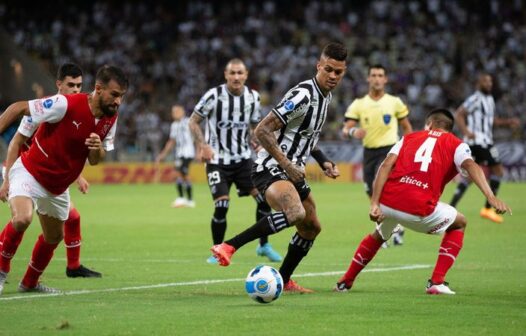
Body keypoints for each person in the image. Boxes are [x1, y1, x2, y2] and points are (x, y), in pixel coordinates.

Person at [211, 42, 347, 293]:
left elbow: (308, 137)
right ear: (319, 66)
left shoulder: (325, 98)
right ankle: (229, 246)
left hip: (292, 171)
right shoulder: (303, 95)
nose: (333, 76)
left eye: (338, 72)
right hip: (270, 167)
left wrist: (324, 161)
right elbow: (262, 129)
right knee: (296, 213)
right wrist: (287, 164)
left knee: (312, 227)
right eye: (328, 69)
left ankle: (284, 280)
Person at [334, 108, 511, 295]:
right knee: (459, 223)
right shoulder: (457, 144)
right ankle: (437, 281)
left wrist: (375, 203)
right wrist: (490, 197)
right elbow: (471, 165)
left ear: (429, 124)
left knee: (379, 235)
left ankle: (344, 282)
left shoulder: (408, 138)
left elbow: (386, 165)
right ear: (449, 129)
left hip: (389, 201)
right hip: (417, 208)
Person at [0, 65, 128, 295]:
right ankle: (1, 272)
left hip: (58, 187)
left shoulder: (111, 118)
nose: (118, 102)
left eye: (122, 97)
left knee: (54, 236)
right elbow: (18, 108)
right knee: (22, 218)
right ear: (99, 89)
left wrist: (97, 148)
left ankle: (30, 282)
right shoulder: (64, 104)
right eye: (115, 95)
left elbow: (96, 160)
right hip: (30, 172)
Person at [189, 58, 283, 264]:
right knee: (222, 205)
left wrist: (257, 143)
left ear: (246, 74)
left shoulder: (253, 97)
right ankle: (218, 249)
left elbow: (254, 126)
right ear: (226, 75)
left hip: (243, 159)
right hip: (217, 160)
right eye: (232, 73)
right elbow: (193, 120)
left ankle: (263, 245)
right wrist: (202, 145)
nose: (236, 77)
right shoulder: (213, 96)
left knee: (264, 200)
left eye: (240, 73)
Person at [342, 64, 413, 246]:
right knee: (370, 190)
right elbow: (346, 128)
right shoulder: (359, 104)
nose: (377, 78)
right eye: (373, 75)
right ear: (368, 79)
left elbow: (406, 127)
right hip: (369, 151)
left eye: (380, 75)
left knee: (379, 186)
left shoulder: (394, 101)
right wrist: (353, 132)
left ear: (385, 79)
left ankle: (387, 232)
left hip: (389, 149)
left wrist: (409, 148)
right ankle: (393, 227)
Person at [449, 73, 520, 223]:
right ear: (478, 83)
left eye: (490, 81)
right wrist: (467, 131)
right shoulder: (475, 98)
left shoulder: (489, 99)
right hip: (480, 142)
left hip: (483, 141)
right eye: (485, 81)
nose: (489, 84)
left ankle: (451, 206)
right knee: (499, 170)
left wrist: (508, 122)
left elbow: (490, 120)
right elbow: (459, 114)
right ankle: (488, 208)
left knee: (469, 177)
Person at [156, 104, 197, 208]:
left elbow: (197, 135)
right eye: (173, 112)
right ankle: (185, 199)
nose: (174, 114)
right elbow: (171, 141)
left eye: (177, 111)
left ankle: (186, 199)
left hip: (188, 153)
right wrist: (163, 154)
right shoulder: (174, 125)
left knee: (181, 174)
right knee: (181, 174)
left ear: (182, 112)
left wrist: (200, 150)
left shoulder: (188, 122)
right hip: (179, 153)